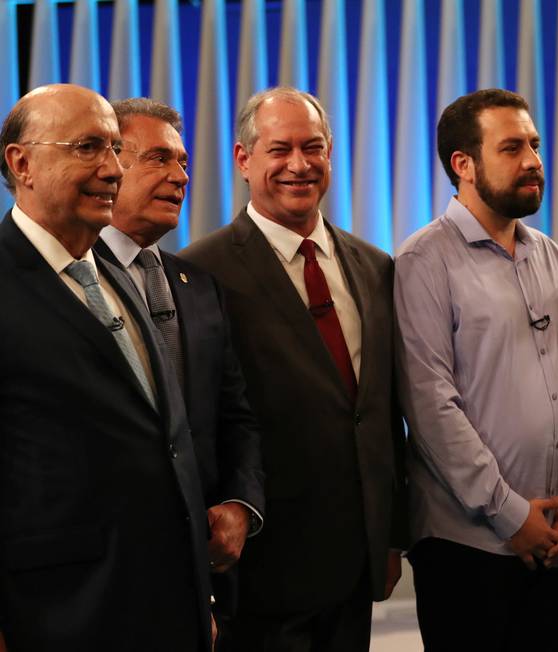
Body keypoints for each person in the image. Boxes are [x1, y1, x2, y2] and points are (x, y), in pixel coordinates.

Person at [180, 87, 405, 651]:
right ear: (243, 159)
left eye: (314, 148)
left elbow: (382, 414)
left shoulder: (376, 267)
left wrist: (391, 536)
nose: (299, 165)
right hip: (261, 569)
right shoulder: (196, 273)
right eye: (280, 149)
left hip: (357, 563)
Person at [0, 84, 212, 650]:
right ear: (21, 162)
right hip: (59, 615)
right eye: (89, 147)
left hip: (166, 603)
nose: (113, 169)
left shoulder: (118, 273)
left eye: (117, 149)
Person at [394, 88, 558, 652]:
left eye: (534, 144)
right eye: (512, 148)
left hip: (551, 534)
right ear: (464, 164)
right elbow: (431, 406)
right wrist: (510, 514)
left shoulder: (550, 254)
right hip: (468, 545)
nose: (533, 160)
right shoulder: (423, 260)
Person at [93, 98, 265, 633]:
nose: (181, 176)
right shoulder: (73, 281)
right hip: (110, 576)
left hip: (208, 573)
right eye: (160, 159)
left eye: (184, 162)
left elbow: (235, 414)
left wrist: (240, 505)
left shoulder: (198, 284)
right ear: (111, 166)